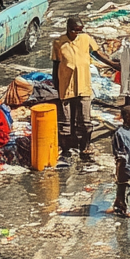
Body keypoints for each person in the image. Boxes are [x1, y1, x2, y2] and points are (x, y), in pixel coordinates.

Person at [52, 15, 119, 161]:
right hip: (66, 87)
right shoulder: (58, 43)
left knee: (86, 122)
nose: (77, 33)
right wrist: (56, 86)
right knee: (65, 123)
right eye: (75, 31)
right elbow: (56, 65)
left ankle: (85, 147)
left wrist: (112, 64)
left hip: (83, 86)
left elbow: (97, 53)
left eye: (80, 30)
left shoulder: (86, 39)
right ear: (68, 29)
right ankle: (66, 150)